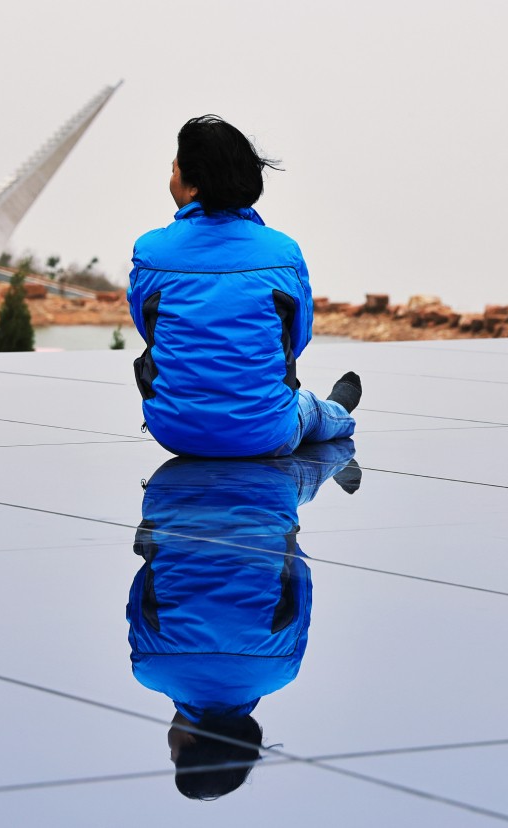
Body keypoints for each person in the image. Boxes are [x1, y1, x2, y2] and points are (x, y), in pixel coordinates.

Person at [127, 442, 361, 799]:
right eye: (175, 756)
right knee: (274, 443)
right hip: (173, 486)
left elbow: (300, 580)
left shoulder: (279, 671)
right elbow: (143, 582)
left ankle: (333, 431)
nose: (170, 750)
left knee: (307, 463)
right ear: (189, 741)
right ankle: (326, 432)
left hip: (269, 492)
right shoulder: (150, 669)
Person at [129, 115, 361, 458]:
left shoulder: (149, 252)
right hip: (264, 433)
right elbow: (298, 339)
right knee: (308, 410)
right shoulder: (283, 252)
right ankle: (338, 410)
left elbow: (148, 330)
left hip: (175, 431)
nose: (171, 178)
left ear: (193, 187)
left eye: (174, 169)